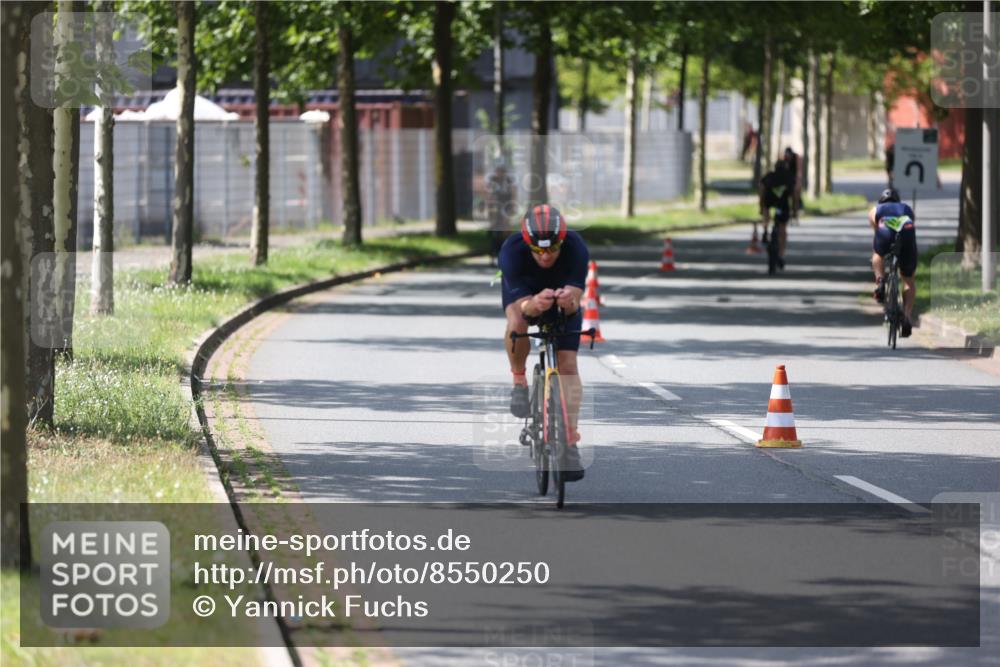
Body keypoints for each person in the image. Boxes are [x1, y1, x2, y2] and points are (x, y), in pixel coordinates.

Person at [499, 204, 588, 480]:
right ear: (528, 245)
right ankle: (518, 381)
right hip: (524, 297)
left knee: (568, 365)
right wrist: (533, 304)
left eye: (552, 249)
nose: (546, 256)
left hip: (562, 300)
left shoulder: (576, 247)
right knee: (517, 321)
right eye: (539, 250)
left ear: (563, 241)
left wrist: (568, 302)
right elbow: (521, 307)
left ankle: (570, 442)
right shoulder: (512, 251)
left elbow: (575, 299)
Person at [869, 188, 917, 337]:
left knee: (877, 254)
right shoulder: (906, 208)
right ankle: (907, 317)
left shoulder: (876, 209)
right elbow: (912, 223)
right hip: (907, 234)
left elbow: (876, 229)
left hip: (885, 233)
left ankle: (880, 282)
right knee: (908, 280)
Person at [759, 160, 793, 273]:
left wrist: (761, 206)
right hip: (783, 205)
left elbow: (762, 189)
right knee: (783, 228)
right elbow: (796, 193)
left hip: (769, 201)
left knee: (766, 210)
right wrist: (795, 210)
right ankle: (781, 253)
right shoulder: (789, 177)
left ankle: (765, 229)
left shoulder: (769, 176)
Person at [485, 161, 516, 266]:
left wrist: (511, 209)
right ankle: (493, 256)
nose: (500, 173)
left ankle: (506, 254)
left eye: (502, 171)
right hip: (495, 207)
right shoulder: (492, 181)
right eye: (498, 171)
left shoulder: (508, 181)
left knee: (506, 231)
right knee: (493, 231)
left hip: (506, 207)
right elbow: (489, 195)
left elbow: (513, 195)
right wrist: (489, 208)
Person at [782, 147, 803, 222]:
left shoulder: (796, 158)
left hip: (794, 179)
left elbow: (799, 172)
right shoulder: (784, 159)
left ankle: (796, 213)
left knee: (796, 196)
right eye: (787, 156)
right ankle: (786, 213)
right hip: (787, 180)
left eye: (789, 156)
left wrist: (798, 183)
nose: (788, 157)